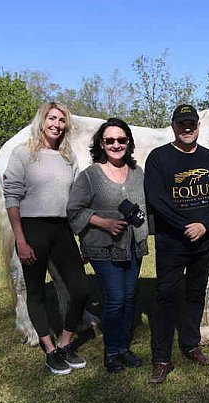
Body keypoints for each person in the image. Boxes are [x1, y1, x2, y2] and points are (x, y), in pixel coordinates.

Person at [144, 104, 209, 384]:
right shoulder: (158, 158)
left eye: (191, 123)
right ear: (173, 127)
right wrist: (185, 226)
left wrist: (204, 225)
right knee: (166, 298)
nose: (187, 128)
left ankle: (191, 343)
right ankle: (161, 358)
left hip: (203, 243)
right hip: (172, 244)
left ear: (198, 126)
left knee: (195, 295)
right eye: (182, 124)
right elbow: (156, 199)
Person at [3, 102, 90, 374]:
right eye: (52, 118)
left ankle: (64, 343)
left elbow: (75, 200)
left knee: (81, 290)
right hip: (32, 229)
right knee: (37, 291)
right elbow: (12, 197)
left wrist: (82, 237)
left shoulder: (68, 157)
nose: (56, 124)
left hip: (62, 229)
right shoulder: (22, 154)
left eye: (62, 120)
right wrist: (20, 239)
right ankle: (50, 350)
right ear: (42, 121)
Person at [67, 118, 149, 374]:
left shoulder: (138, 173)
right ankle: (111, 351)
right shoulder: (90, 176)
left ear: (129, 142)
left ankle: (124, 348)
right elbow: (73, 209)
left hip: (134, 245)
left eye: (121, 140)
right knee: (115, 299)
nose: (116, 144)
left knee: (130, 297)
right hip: (104, 247)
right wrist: (104, 222)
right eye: (110, 140)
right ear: (101, 144)